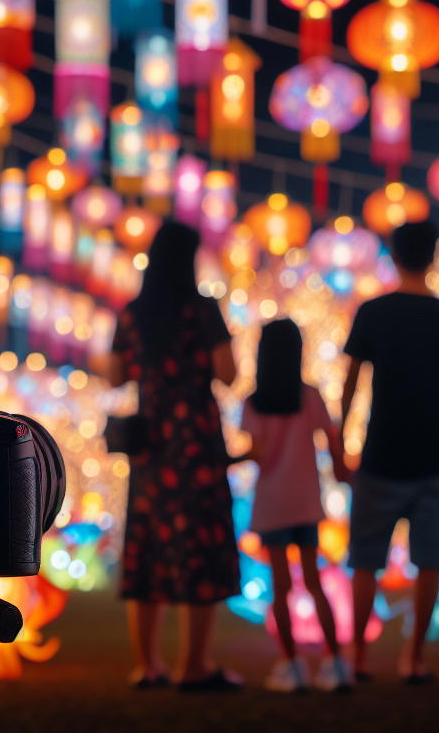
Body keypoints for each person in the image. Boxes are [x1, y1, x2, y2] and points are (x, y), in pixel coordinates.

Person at [340, 220, 439, 684]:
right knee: (430, 560)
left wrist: (342, 441)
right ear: (433, 256)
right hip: (436, 454)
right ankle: (413, 657)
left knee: (365, 561)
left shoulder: (373, 312)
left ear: (393, 257)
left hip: (380, 452)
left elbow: (351, 380)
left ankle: (358, 655)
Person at [109, 221, 241, 691]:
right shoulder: (202, 310)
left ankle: (148, 665)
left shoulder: (131, 314)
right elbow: (228, 374)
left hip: (149, 446)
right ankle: (195, 666)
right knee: (198, 546)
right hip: (196, 443)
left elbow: (113, 377)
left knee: (147, 546)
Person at [240, 319, 351, 693]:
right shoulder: (310, 397)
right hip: (305, 502)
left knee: (281, 588)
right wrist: (342, 468)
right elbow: (332, 440)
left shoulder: (254, 403)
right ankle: (334, 662)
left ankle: (291, 664)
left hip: (272, 503)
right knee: (315, 582)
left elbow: (257, 454)